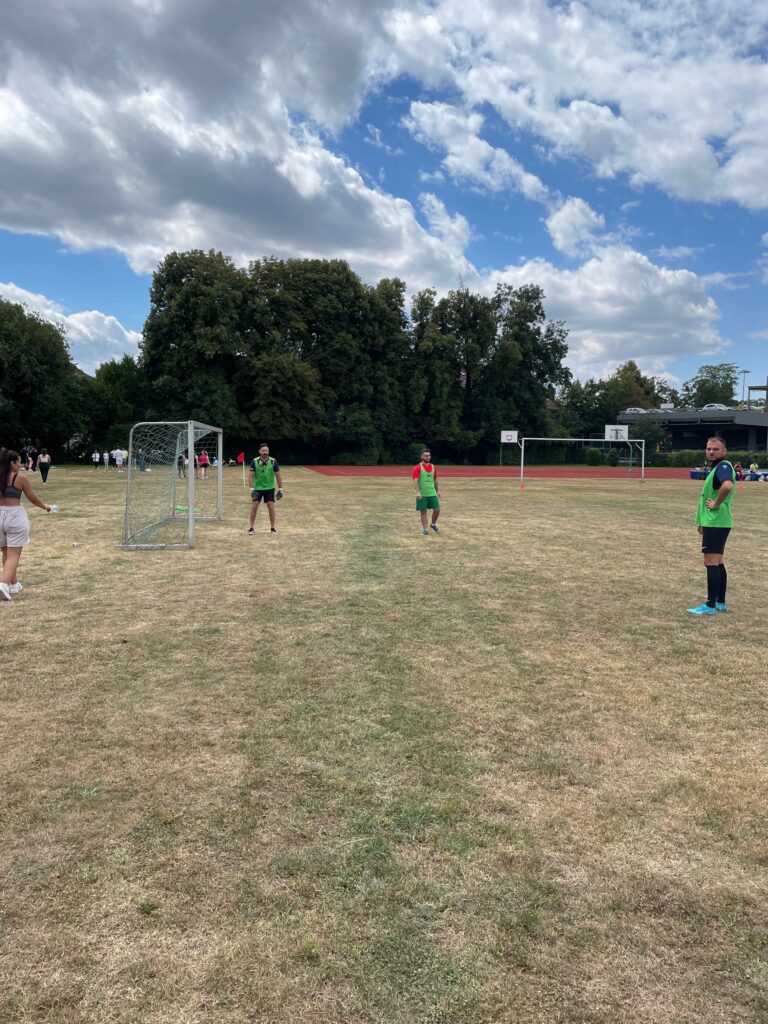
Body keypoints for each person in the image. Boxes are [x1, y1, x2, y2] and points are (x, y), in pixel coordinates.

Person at [687, 436, 735, 616]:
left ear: (724, 451)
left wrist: (716, 503)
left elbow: (727, 486)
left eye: (715, 449)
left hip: (716, 522)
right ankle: (720, 603)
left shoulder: (723, 466)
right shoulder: (717, 468)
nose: (711, 452)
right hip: (715, 522)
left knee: (711, 562)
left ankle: (710, 605)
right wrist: (701, 520)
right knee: (718, 561)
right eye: (708, 449)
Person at [0, 448, 53, 601]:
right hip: (15, 516)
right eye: (19, 462)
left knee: (6, 552)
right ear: (12, 463)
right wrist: (45, 507)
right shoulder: (20, 479)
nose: (21, 464)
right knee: (14, 554)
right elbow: (33, 499)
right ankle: (3, 584)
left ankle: (13, 584)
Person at [248, 443, 283, 536]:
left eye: (266, 450)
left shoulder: (273, 461)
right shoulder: (254, 461)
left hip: (269, 488)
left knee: (271, 506)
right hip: (257, 488)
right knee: (254, 506)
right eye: (263, 450)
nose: (265, 452)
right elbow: (250, 476)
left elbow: (278, 475)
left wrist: (280, 489)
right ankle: (251, 527)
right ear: (259, 451)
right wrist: (251, 489)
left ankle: (273, 528)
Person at [412, 448, 441, 535]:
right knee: (423, 512)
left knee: (437, 509)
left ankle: (433, 524)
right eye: (425, 456)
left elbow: (435, 480)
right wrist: (418, 492)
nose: (427, 457)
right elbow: (415, 480)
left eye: (428, 455)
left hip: (432, 492)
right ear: (421, 456)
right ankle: (425, 530)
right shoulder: (417, 467)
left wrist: (437, 491)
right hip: (422, 494)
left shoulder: (433, 467)